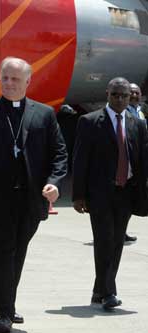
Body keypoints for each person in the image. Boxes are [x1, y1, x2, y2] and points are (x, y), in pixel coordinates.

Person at [0, 57, 68, 333]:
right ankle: (4, 312)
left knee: (17, 253)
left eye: (15, 79)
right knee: (1, 254)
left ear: (28, 82)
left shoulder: (44, 114)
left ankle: (6, 304)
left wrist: (54, 183)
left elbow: (59, 153)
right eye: (5, 78)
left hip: (30, 200)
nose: (9, 84)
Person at [72, 77, 148, 310]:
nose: (119, 99)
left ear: (131, 97)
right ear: (107, 94)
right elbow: (80, 160)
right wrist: (78, 195)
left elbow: (142, 160)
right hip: (100, 194)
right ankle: (109, 293)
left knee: (116, 243)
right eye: (115, 94)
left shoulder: (138, 124)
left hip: (126, 192)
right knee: (104, 241)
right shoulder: (90, 121)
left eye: (124, 95)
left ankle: (99, 290)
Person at [123, 83, 145, 243]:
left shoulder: (140, 112)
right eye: (131, 93)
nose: (135, 95)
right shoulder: (124, 112)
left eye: (137, 93)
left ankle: (122, 230)